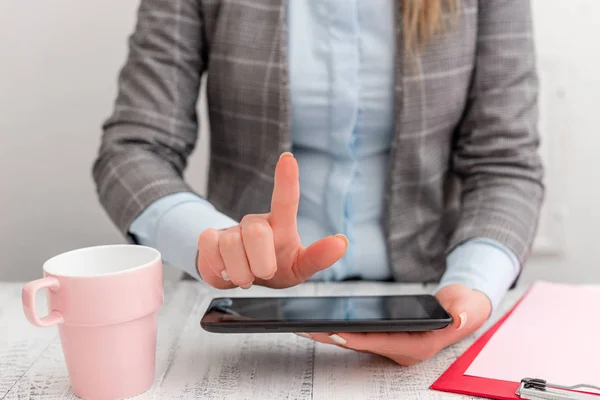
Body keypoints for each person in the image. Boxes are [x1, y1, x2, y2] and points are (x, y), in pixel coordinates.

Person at [93, 0, 543, 366]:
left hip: (424, 291)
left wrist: (470, 291)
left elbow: (505, 162)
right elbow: (134, 149)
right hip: (238, 303)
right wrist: (212, 241)